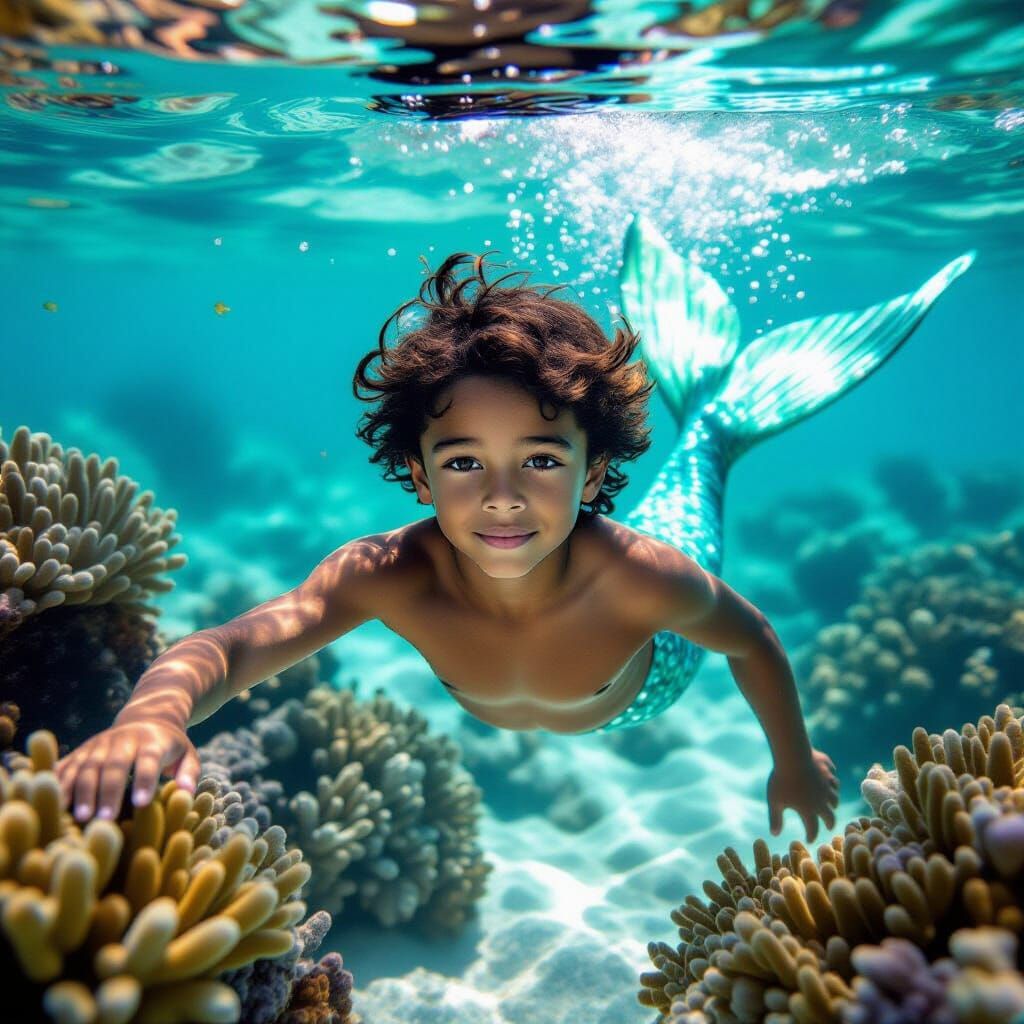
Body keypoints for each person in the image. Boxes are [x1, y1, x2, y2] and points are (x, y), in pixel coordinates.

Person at [56, 215, 974, 844]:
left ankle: (717, 425)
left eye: (540, 459)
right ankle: (713, 412)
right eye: (463, 463)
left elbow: (753, 639)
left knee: (701, 474)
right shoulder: (386, 574)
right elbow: (236, 644)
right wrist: (151, 716)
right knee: (690, 466)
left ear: (595, 470)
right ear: (416, 473)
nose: (501, 497)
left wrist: (790, 761)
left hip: (651, 679)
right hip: (590, 655)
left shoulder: (641, 579)